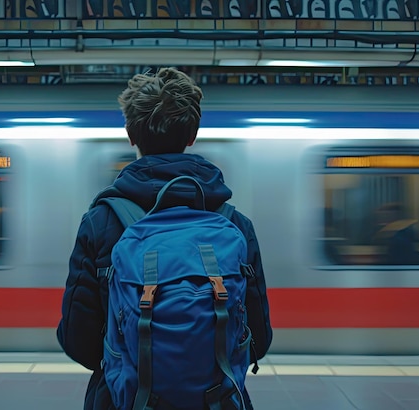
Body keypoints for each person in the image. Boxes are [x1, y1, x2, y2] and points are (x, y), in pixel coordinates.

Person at [57, 67, 272, 409]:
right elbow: (259, 337)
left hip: (124, 400)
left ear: (130, 135)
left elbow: (77, 340)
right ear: (192, 135)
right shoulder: (234, 224)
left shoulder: (101, 222)